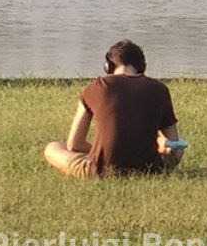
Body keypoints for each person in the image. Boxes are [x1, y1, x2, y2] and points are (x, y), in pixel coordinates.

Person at [42, 39, 184, 179]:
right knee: (179, 147)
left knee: (52, 148)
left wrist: (101, 152)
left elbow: (74, 144)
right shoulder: (160, 89)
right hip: (151, 170)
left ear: (108, 66)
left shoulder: (96, 86)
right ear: (142, 66)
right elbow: (174, 144)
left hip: (99, 170)